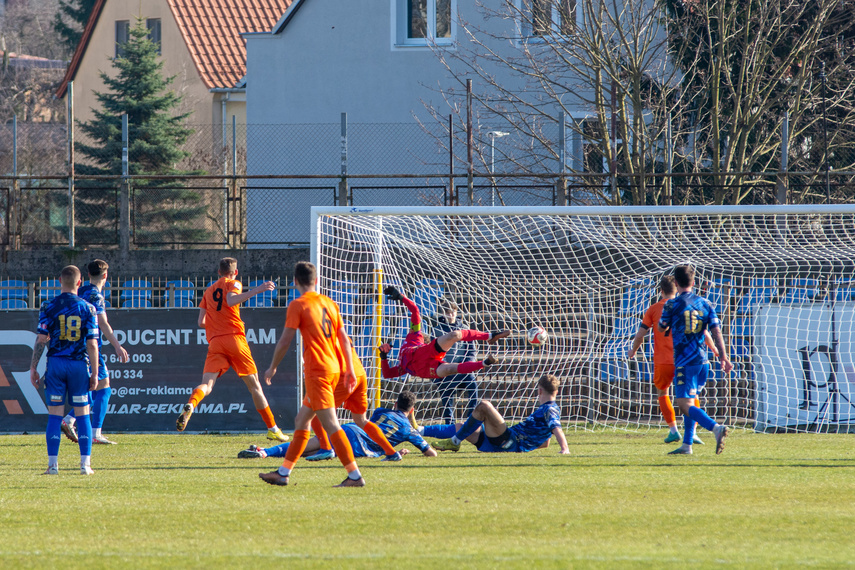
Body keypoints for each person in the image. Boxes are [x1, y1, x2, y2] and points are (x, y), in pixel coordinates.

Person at [259, 261, 366, 487]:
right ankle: (283, 472)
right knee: (302, 420)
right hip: (334, 368)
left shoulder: (298, 305)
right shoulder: (329, 303)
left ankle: (355, 476)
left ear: (295, 281)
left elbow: (285, 340)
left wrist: (273, 366)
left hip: (318, 372)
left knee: (331, 425)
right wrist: (348, 368)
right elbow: (344, 340)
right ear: (316, 280)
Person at [176, 257, 288, 442]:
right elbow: (230, 300)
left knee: (207, 385)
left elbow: (200, 322)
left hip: (215, 342)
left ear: (218, 272)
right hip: (234, 339)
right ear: (235, 272)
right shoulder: (234, 283)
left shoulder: (209, 290)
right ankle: (273, 428)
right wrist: (258, 290)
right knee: (255, 387)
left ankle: (191, 404)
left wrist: (216, 324)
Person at [627, 275, 719, 444]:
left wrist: (633, 350)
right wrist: (713, 348)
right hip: (685, 359)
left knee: (663, 392)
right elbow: (703, 331)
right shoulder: (684, 306)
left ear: (660, 290)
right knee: (692, 395)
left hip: (663, 361)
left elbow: (641, 334)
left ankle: (674, 430)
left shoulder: (654, 309)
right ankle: (693, 433)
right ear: (676, 288)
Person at [29, 265, 100, 475]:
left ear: (60, 280)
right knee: (83, 415)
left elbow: (42, 339)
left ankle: (52, 466)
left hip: (56, 365)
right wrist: (95, 373)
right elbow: (92, 344)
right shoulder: (88, 308)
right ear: (80, 283)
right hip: (78, 365)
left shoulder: (48, 306)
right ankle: (85, 465)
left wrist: (33, 367)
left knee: (54, 416)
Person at [657, 265, 733, 455]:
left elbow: (661, 327)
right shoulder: (705, 303)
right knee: (690, 401)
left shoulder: (671, 304)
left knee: (684, 404)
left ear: (676, 283)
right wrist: (723, 356)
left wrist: (669, 325)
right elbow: (715, 331)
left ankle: (716, 428)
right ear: (694, 282)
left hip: (685, 362)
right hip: (703, 363)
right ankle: (687, 445)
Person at [239, 390, 437, 460]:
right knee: (314, 447)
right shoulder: (408, 430)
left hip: (350, 428)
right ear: (411, 410)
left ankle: (265, 452)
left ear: (395, 404)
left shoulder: (381, 412)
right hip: (361, 446)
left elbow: (375, 426)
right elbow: (430, 453)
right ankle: (266, 453)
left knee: (311, 445)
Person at [61, 259, 130, 445]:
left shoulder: (80, 291)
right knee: (104, 386)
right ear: (105, 276)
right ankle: (92, 431)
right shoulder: (96, 296)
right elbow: (103, 323)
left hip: (73, 345)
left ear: (88, 275)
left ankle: (71, 420)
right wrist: (117, 345)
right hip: (90, 346)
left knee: (94, 386)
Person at [302, 335, 403, 462]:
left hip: (345, 377)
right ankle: (391, 453)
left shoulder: (321, 334)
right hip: (359, 374)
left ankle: (326, 448)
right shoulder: (339, 331)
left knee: (315, 410)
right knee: (361, 420)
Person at [379, 285, 507, 381]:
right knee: (451, 368)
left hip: (428, 352)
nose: (415, 330)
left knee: (455, 335)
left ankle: (490, 336)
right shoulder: (405, 359)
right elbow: (387, 374)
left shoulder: (416, 339)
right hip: (428, 369)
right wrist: (384, 357)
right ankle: (484, 363)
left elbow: (415, 310)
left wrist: (402, 297)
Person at [431, 374, 570, 454]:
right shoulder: (548, 410)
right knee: (463, 427)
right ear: (556, 392)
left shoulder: (549, 409)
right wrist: (526, 446)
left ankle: (455, 441)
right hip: (507, 442)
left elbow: (557, 429)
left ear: (539, 391)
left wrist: (565, 449)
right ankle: (419, 430)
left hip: (510, 440)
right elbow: (545, 443)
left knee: (484, 406)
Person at [429, 296, 479, 423]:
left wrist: (466, 364)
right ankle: (449, 425)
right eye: (447, 312)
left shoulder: (465, 329)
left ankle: (471, 419)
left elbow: (472, 350)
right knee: (447, 399)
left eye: (453, 312)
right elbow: (431, 353)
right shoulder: (437, 331)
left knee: (473, 384)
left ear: (456, 312)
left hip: (462, 369)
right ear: (443, 313)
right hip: (445, 370)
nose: (451, 315)